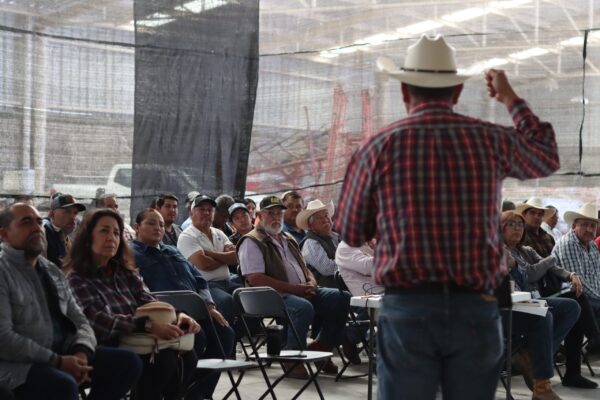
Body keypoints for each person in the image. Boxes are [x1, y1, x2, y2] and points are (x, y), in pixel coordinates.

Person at [335, 34, 560, 400]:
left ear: (405, 90)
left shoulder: (378, 146)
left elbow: (351, 229)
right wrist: (509, 98)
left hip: (408, 307)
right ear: (456, 91)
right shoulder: (487, 139)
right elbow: (546, 156)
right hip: (475, 308)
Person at [0, 204, 141, 400]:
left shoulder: (52, 271)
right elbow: (4, 339)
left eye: (39, 222)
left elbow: (79, 320)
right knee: (62, 385)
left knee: (126, 363)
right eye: (26, 222)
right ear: (4, 234)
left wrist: (81, 352)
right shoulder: (3, 272)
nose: (36, 228)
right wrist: (58, 361)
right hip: (18, 366)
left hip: (64, 354)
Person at [65, 209, 200, 400]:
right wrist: (147, 325)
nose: (111, 238)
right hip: (102, 343)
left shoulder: (125, 272)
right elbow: (95, 321)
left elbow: (148, 301)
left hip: (136, 337)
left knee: (187, 353)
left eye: (116, 233)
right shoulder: (77, 277)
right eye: (104, 231)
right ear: (87, 238)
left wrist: (177, 315)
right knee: (162, 360)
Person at [237, 196, 350, 379]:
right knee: (302, 307)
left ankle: (321, 347)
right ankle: (291, 358)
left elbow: (305, 268)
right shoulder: (251, 241)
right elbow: (255, 278)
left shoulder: (287, 238)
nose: (276, 217)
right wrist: (293, 288)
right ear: (259, 216)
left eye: (279, 213)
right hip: (268, 297)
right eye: (270, 213)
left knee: (341, 298)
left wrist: (311, 283)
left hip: (298, 291)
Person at [132, 208, 236, 399]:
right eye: (151, 223)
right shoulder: (131, 254)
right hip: (167, 316)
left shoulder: (172, 250)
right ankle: (180, 391)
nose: (158, 228)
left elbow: (200, 279)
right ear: (137, 227)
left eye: (161, 224)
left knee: (225, 334)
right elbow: (140, 291)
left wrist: (210, 306)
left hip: (198, 311)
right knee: (198, 336)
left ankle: (196, 392)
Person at [502, 211, 598, 391]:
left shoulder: (526, 250)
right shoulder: (499, 251)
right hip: (514, 305)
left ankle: (535, 356)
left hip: (534, 300)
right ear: (500, 228)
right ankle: (547, 364)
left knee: (573, 306)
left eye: (520, 225)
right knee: (565, 306)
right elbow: (531, 274)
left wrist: (571, 275)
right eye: (512, 225)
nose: (517, 229)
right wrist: (551, 259)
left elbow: (551, 267)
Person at [177, 195, 242, 326]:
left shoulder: (219, 233)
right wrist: (225, 257)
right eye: (201, 209)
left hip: (229, 281)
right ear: (191, 213)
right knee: (226, 301)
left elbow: (237, 257)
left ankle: (243, 333)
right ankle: (229, 336)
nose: (206, 213)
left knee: (251, 295)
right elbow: (204, 264)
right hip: (206, 286)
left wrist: (210, 254)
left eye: (210, 210)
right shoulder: (187, 236)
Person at [553, 203, 600, 319]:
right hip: (573, 296)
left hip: (591, 297)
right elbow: (579, 283)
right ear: (574, 226)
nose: (589, 229)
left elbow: (598, 274)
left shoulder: (592, 244)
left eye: (593, 226)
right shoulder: (568, 243)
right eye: (584, 225)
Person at [298, 199, 339, 288]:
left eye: (326, 215)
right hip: (330, 289)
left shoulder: (335, 236)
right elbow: (327, 269)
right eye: (319, 218)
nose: (325, 220)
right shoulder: (311, 243)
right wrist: (350, 262)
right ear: (310, 225)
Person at [43, 193, 85, 270]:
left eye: (75, 213)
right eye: (67, 212)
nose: (73, 217)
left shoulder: (66, 236)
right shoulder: (44, 230)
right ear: (52, 214)